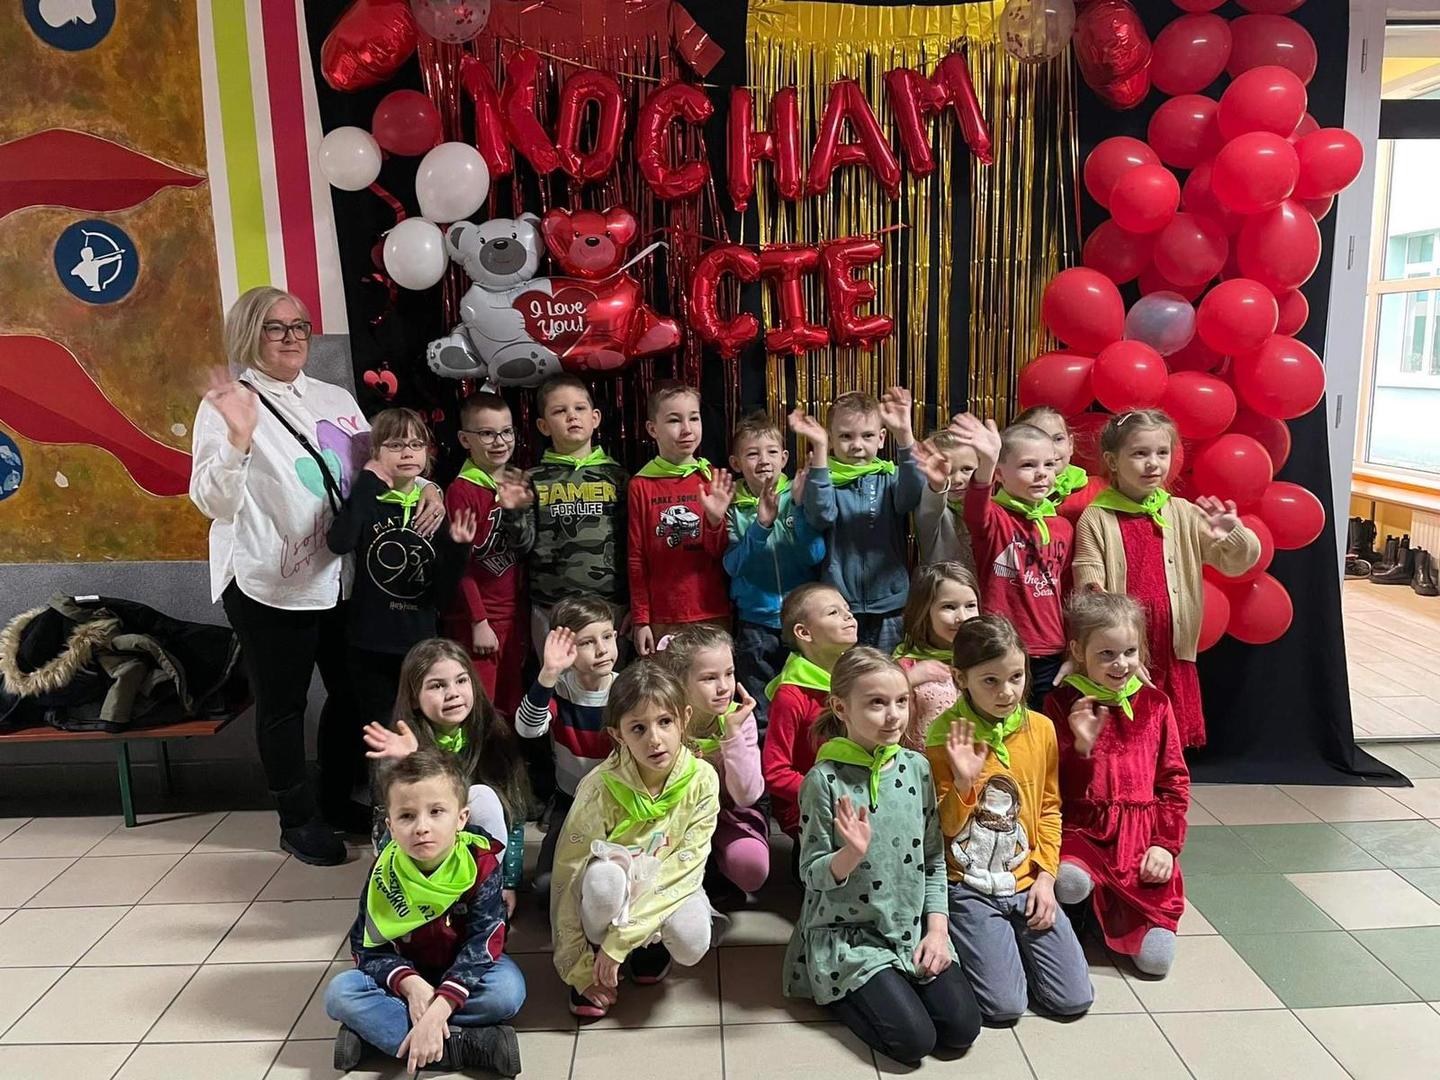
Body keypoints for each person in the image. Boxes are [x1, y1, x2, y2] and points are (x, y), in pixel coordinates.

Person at [191, 286, 443, 864]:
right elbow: (213, 502)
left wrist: (426, 485)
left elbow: (379, 466)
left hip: (342, 578)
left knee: (351, 694)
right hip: (271, 583)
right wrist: (239, 438)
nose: (291, 338)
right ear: (250, 335)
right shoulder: (228, 404)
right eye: (275, 327)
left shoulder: (335, 397)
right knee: (284, 704)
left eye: (299, 326)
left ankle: (332, 799)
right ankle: (297, 818)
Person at [783, 646, 981, 1066]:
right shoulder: (823, 780)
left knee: (962, 1029)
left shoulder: (917, 767)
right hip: (850, 934)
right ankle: (838, 987)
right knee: (915, 1043)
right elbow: (810, 874)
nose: (894, 716)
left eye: (901, 701)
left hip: (909, 926)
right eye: (877, 703)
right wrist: (850, 855)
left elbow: (933, 859)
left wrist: (937, 931)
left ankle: (892, 982)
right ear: (841, 707)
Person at [928, 615, 1093, 1023]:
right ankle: (981, 946)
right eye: (990, 681)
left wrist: (1046, 878)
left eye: (1016, 677)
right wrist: (963, 782)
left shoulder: (1041, 729)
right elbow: (943, 830)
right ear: (960, 679)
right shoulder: (944, 736)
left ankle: (1012, 949)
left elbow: (1049, 808)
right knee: (1004, 1007)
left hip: (1026, 880)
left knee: (1074, 999)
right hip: (968, 886)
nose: (1007, 692)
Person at [325, 750, 523, 1076]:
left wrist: (440, 1006)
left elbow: (484, 944)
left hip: (462, 970)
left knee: (507, 992)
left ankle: (381, 1037)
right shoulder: (385, 872)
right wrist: (411, 985)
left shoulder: (480, 864)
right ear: (390, 826)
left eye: (436, 812)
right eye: (406, 816)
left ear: (461, 818)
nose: (421, 827)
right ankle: (465, 1045)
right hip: (407, 975)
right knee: (340, 993)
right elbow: (366, 947)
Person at [1071, 409, 1260, 748]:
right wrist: (1118, 648)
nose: (1153, 463)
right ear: (1112, 461)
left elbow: (1237, 564)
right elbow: (1089, 592)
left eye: (1162, 452)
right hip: (1122, 656)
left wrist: (1233, 534)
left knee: (1171, 743)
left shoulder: (1183, 512)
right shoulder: (1096, 518)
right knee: (1127, 742)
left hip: (1172, 651)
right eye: (1139, 453)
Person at [550, 661, 720, 1019]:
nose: (654, 739)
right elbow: (567, 876)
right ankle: (596, 956)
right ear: (618, 734)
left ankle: (644, 948)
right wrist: (578, 969)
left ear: (684, 718)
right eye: (638, 728)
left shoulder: (703, 779)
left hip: (668, 883)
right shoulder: (600, 787)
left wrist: (621, 941)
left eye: (665, 722)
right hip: (614, 890)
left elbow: (685, 867)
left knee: (692, 941)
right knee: (604, 881)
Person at [1044, 593, 1190, 977]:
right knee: (1070, 882)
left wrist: (1165, 845)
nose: (1120, 663)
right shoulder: (1060, 704)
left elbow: (1174, 782)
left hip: (1139, 836)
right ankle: (1079, 915)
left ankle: (1112, 912)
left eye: (1129, 652)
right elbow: (1053, 784)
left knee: (1156, 962)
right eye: (1106, 654)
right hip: (1084, 830)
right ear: (1079, 650)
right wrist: (1081, 748)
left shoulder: (1156, 704)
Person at [327, 409, 477, 743]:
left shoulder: (433, 511)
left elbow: (441, 595)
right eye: (395, 445)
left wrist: (458, 549)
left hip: (420, 643)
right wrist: (368, 479)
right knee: (381, 734)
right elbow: (339, 542)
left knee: (428, 731)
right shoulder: (368, 500)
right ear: (375, 453)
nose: (407, 452)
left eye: (415, 444)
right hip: (370, 644)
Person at [362, 638, 534, 916]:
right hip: (421, 859)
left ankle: (483, 889)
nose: (453, 693)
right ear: (414, 698)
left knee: (484, 798)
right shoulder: (402, 742)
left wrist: (507, 883)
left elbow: (514, 815)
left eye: (461, 681)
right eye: (437, 686)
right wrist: (409, 762)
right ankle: (429, 896)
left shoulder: (493, 734)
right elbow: (390, 834)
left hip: (471, 856)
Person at [496, 374, 628, 655]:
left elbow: (634, 547)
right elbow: (521, 547)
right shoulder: (532, 479)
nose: (572, 416)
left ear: (595, 417)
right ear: (543, 426)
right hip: (551, 608)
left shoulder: (618, 477)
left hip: (610, 607)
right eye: (559, 411)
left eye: (579, 408)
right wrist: (513, 512)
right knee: (554, 680)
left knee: (610, 680)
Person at [790, 389, 925, 655]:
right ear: (831, 439)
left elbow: (912, 496)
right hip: (840, 606)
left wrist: (905, 436)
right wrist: (819, 454)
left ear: (882, 438)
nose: (857, 445)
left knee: (887, 671)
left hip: (890, 604)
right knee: (845, 674)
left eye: (867, 436)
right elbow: (820, 516)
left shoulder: (889, 477)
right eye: (845, 436)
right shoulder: (823, 478)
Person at [950, 414, 1073, 708]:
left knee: (1042, 726)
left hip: (1051, 650)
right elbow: (975, 510)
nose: (1041, 474)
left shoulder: (1062, 527)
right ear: (1000, 475)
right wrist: (986, 464)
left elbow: (1066, 591)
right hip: (1001, 649)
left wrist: (1072, 649)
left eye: (1049, 464)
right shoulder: (996, 519)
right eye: (1028, 465)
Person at [723, 411, 826, 736]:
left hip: (801, 622)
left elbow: (814, 555)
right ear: (736, 463)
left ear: (784, 458)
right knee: (761, 712)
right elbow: (732, 565)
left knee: (806, 706)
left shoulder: (797, 494)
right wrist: (761, 525)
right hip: (755, 624)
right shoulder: (731, 505)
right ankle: (766, 768)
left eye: (771, 452)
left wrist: (797, 509)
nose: (763, 461)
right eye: (752, 454)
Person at [513, 596, 620, 890]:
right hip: (570, 799)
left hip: (618, 803)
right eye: (587, 642)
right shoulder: (559, 689)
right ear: (567, 648)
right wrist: (549, 673)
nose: (602, 649)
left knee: (611, 879)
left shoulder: (626, 689)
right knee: (545, 885)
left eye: (607, 637)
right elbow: (527, 729)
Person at [658, 626, 769, 896]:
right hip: (673, 818)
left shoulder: (738, 718)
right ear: (679, 682)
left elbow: (746, 796)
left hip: (727, 815)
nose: (723, 688)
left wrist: (732, 735)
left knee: (751, 867)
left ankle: (716, 868)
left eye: (729, 674)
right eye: (709, 678)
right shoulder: (662, 720)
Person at [627, 381, 732, 655]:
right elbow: (637, 557)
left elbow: (722, 554)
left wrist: (715, 521)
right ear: (653, 429)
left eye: (694, 418)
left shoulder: (711, 477)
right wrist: (641, 619)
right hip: (663, 616)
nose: (687, 429)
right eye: (674, 420)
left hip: (712, 610)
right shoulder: (641, 484)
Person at [442, 391, 527, 719]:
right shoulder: (461, 490)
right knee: (480, 708)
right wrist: (479, 621)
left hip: (514, 617)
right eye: (487, 433)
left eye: (506, 431)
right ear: (465, 439)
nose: (500, 441)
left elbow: (524, 552)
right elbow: (460, 566)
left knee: (512, 704)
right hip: (478, 620)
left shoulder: (516, 481)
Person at [761, 583, 858, 849]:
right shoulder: (790, 695)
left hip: (855, 793)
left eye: (847, 609)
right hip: (808, 804)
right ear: (804, 633)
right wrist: (829, 793)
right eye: (833, 612)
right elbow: (775, 771)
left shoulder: (860, 676)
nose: (848, 616)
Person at [893, 562, 981, 750]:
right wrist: (909, 680)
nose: (962, 617)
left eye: (970, 606)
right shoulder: (906, 665)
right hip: (921, 764)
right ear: (924, 612)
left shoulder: (986, 658)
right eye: (949, 607)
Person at [1012, 405, 1107, 525]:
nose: (1051, 449)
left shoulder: (1100, 490)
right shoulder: (1010, 494)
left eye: (1058, 439)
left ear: (1070, 444)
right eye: (1038, 440)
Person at [910, 427, 978, 568]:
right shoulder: (935, 515)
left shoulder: (992, 511)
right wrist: (937, 485)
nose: (957, 479)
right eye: (946, 470)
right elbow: (930, 509)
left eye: (966, 469)